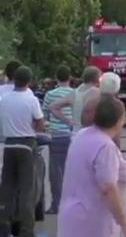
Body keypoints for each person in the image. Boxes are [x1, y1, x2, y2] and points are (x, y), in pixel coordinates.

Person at [58, 95, 126, 237]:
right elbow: (109, 189)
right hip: (94, 222)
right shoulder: (105, 147)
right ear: (118, 120)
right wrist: (125, 225)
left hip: (72, 217)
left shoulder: (82, 135)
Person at [0, 66, 46, 237]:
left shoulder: (4, 99)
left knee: (7, 188)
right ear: (29, 81)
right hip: (27, 145)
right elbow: (40, 125)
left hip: (9, 144)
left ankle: (3, 226)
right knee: (27, 189)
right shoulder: (31, 99)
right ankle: (26, 230)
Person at [42, 65, 74, 215]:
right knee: (73, 171)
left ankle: (57, 205)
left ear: (56, 78)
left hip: (55, 137)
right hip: (72, 136)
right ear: (70, 78)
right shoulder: (75, 94)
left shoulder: (50, 95)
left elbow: (44, 116)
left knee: (56, 173)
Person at [50, 66, 101, 133]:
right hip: (92, 133)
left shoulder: (74, 93)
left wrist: (68, 122)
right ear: (97, 79)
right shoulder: (97, 93)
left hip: (76, 133)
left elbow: (53, 107)